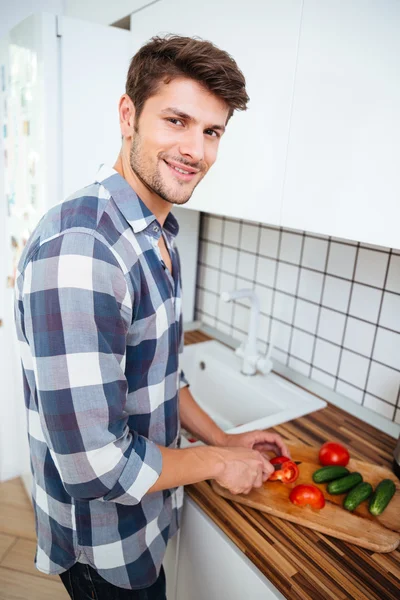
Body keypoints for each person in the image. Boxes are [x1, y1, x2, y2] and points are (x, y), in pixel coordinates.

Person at [14, 34, 290, 599]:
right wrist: (216, 462)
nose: (196, 149)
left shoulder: (158, 233)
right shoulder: (84, 249)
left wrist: (224, 441)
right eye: (177, 121)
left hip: (144, 522)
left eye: (211, 132)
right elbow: (94, 465)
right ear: (128, 116)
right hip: (104, 550)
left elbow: (162, 376)